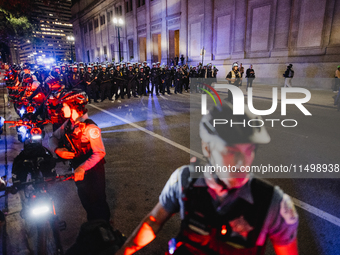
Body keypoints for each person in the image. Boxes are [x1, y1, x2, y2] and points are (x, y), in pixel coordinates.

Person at [116, 103, 299, 255]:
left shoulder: (273, 203)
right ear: (207, 148)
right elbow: (154, 223)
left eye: (249, 150)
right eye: (231, 151)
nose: (242, 163)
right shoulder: (185, 180)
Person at [48, 91, 111, 222]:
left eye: (65, 106)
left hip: (93, 171)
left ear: (74, 107)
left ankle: (104, 231)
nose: (62, 109)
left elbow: (100, 152)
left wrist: (82, 168)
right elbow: (52, 137)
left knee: (98, 203)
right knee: (85, 200)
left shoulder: (90, 128)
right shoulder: (69, 124)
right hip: (78, 168)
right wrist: (57, 150)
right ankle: (93, 227)